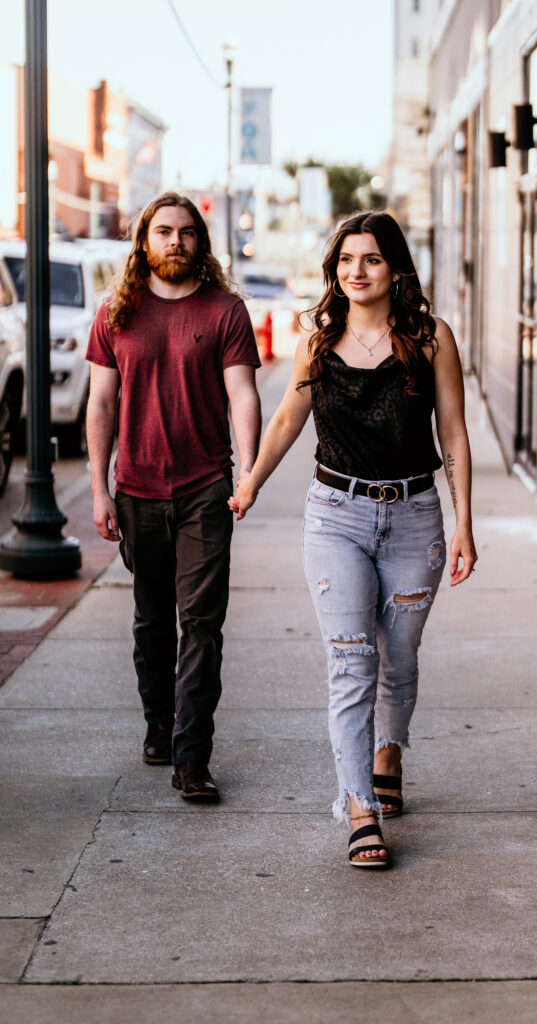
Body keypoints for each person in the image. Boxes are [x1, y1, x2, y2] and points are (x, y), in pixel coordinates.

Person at [230, 211, 476, 868]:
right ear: (333, 271)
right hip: (334, 516)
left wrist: (463, 525)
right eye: (345, 261)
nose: (356, 271)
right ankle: (358, 805)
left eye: (369, 259)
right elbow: (286, 418)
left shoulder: (429, 339)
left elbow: (451, 431)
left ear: (394, 267)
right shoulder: (317, 339)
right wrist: (250, 481)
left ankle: (387, 751)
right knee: (349, 665)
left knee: (399, 655)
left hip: (414, 518)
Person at [86, 192, 261, 802]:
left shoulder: (225, 311)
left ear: (201, 243)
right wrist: (98, 490)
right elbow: (101, 405)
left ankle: (193, 757)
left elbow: (243, 394)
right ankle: (158, 724)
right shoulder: (116, 313)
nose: (176, 242)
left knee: (203, 627)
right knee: (153, 621)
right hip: (136, 492)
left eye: (187, 232)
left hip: (205, 492)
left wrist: (248, 474)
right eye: (163, 232)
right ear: (143, 242)